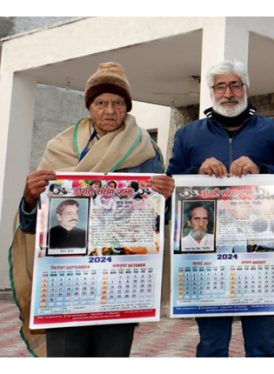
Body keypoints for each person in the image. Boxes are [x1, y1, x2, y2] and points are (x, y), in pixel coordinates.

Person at [11, 62, 175, 357]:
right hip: (67, 284)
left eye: (117, 102)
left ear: (127, 107)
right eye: (101, 102)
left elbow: (158, 222)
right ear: (89, 106)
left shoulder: (146, 152)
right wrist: (30, 199)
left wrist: (166, 199)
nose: (109, 110)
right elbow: (32, 225)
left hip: (118, 285)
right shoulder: (60, 148)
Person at [167, 60, 274, 357]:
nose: (229, 93)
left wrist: (261, 168)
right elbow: (170, 183)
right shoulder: (188, 135)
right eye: (221, 86)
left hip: (258, 255)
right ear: (212, 92)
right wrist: (195, 171)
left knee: (262, 345)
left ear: (246, 89)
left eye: (235, 84)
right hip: (208, 258)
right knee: (211, 345)